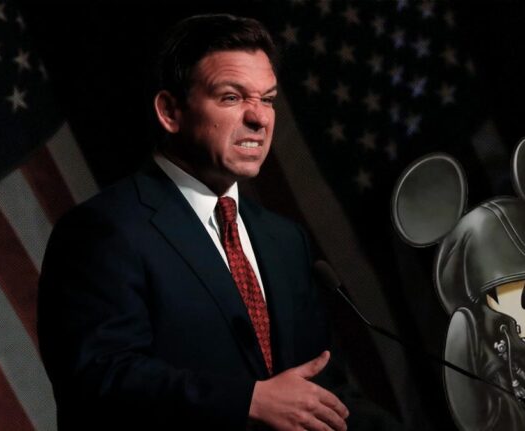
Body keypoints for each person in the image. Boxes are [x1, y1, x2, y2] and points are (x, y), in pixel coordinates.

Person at [38, 13, 351, 430]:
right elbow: (99, 377)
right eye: (232, 97)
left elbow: (323, 389)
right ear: (170, 112)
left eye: (268, 99)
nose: (260, 118)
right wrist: (246, 400)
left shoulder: (284, 238)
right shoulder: (104, 230)